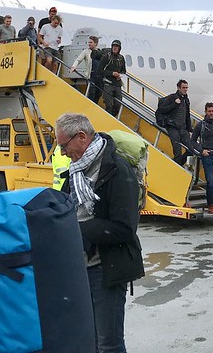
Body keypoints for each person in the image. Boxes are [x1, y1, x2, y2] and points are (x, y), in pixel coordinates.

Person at [56, 113, 144, 353]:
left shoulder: (117, 170)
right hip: (80, 268)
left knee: (108, 344)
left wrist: (79, 229)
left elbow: (125, 228)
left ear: (81, 137)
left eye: (63, 145)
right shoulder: (76, 172)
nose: (62, 152)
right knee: (89, 340)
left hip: (106, 270)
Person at [157, 80, 198, 166]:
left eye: (186, 88)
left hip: (183, 128)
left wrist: (189, 129)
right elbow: (162, 109)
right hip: (173, 126)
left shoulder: (186, 100)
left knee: (191, 150)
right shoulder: (172, 97)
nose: (185, 90)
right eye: (183, 88)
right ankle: (177, 166)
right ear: (178, 88)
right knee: (177, 151)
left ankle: (177, 164)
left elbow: (187, 115)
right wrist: (174, 104)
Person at [70, 36, 103, 100]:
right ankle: (91, 104)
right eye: (89, 42)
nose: (89, 44)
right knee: (91, 92)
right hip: (91, 75)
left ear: (96, 43)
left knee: (99, 92)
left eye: (91, 42)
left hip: (99, 76)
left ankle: (94, 104)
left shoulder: (100, 52)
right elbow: (78, 60)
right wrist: (74, 66)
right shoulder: (86, 51)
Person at [99, 40, 127, 117]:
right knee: (109, 105)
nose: (115, 48)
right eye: (114, 46)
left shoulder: (121, 58)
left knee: (118, 104)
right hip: (108, 84)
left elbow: (124, 71)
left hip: (117, 85)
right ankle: (108, 120)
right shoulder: (106, 57)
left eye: (117, 47)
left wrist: (119, 76)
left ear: (119, 48)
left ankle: (112, 118)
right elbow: (100, 70)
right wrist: (112, 73)